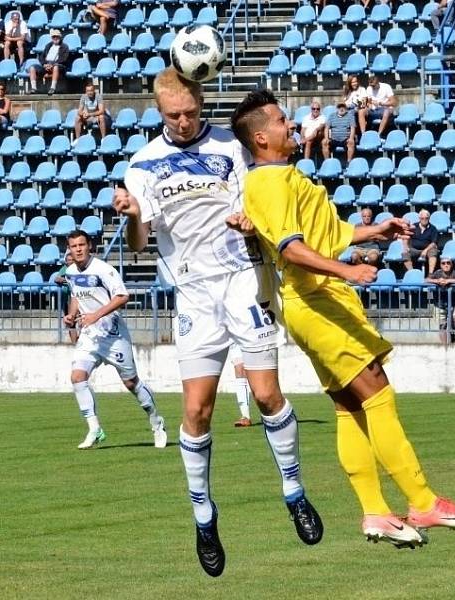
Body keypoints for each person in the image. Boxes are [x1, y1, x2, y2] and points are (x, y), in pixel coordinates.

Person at [231, 88, 455, 549]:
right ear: (262, 138)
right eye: (283, 120)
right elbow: (293, 248)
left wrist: (372, 230)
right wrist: (348, 268)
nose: (293, 125)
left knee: (349, 406)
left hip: (314, 303)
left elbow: (326, 234)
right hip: (317, 300)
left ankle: (375, 513)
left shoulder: (282, 177)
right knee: (376, 391)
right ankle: (422, 501)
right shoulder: (268, 182)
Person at [112, 68, 322, 578]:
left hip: (243, 278)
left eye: (190, 112)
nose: (184, 122)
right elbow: (140, 244)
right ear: (158, 112)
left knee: (268, 395)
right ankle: (204, 515)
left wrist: (254, 219)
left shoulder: (233, 144)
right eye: (172, 116)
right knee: (197, 410)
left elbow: (265, 193)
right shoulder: (142, 166)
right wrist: (135, 213)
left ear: (202, 102)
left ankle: (293, 489)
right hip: (194, 292)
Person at [62, 230, 167, 450]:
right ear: (69, 249)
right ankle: (94, 428)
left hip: (113, 335)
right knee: (77, 377)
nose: (78, 249)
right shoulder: (70, 272)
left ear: (90, 246)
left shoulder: (104, 270)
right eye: (74, 246)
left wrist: (95, 315)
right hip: (90, 336)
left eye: (82, 245)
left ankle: (157, 423)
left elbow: (122, 296)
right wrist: (72, 315)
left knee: (131, 383)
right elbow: (75, 296)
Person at [426, 257, 455, 344]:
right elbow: (426, 280)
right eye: (443, 263)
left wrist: (448, 281)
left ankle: (452, 334)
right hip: (439, 303)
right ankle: (444, 347)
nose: (446, 265)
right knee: (442, 326)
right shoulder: (438, 273)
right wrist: (437, 281)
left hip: (454, 302)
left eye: (448, 263)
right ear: (440, 265)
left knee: (454, 320)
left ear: (451, 264)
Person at [28, 29, 69, 96]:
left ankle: (52, 88)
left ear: (60, 37)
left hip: (58, 65)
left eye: (57, 36)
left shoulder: (64, 46)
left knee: (56, 67)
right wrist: (44, 64)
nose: (55, 38)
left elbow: (64, 59)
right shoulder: (48, 45)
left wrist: (52, 65)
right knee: (32, 67)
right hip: (46, 64)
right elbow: (41, 57)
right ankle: (34, 88)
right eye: (53, 37)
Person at [402, 208, 439, 275]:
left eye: (426, 218)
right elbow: (405, 236)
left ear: (429, 218)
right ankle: (411, 274)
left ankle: (430, 274)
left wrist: (425, 250)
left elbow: (433, 243)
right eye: (422, 218)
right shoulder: (413, 226)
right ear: (419, 218)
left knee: (434, 251)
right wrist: (405, 246)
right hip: (414, 249)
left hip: (427, 250)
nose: (424, 220)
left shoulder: (433, 228)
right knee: (405, 253)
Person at [55, 251, 79, 343]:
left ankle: (80, 341)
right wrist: (65, 280)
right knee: (70, 322)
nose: (70, 262)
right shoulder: (64, 268)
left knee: (81, 321)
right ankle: (74, 343)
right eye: (68, 260)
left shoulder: (78, 268)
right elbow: (57, 278)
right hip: (67, 299)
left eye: (72, 260)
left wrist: (67, 280)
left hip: (79, 298)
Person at [228, 343, 253, 427]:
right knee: (239, 369)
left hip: (252, 334)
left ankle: (273, 411)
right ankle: (245, 416)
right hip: (233, 337)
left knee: (259, 372)